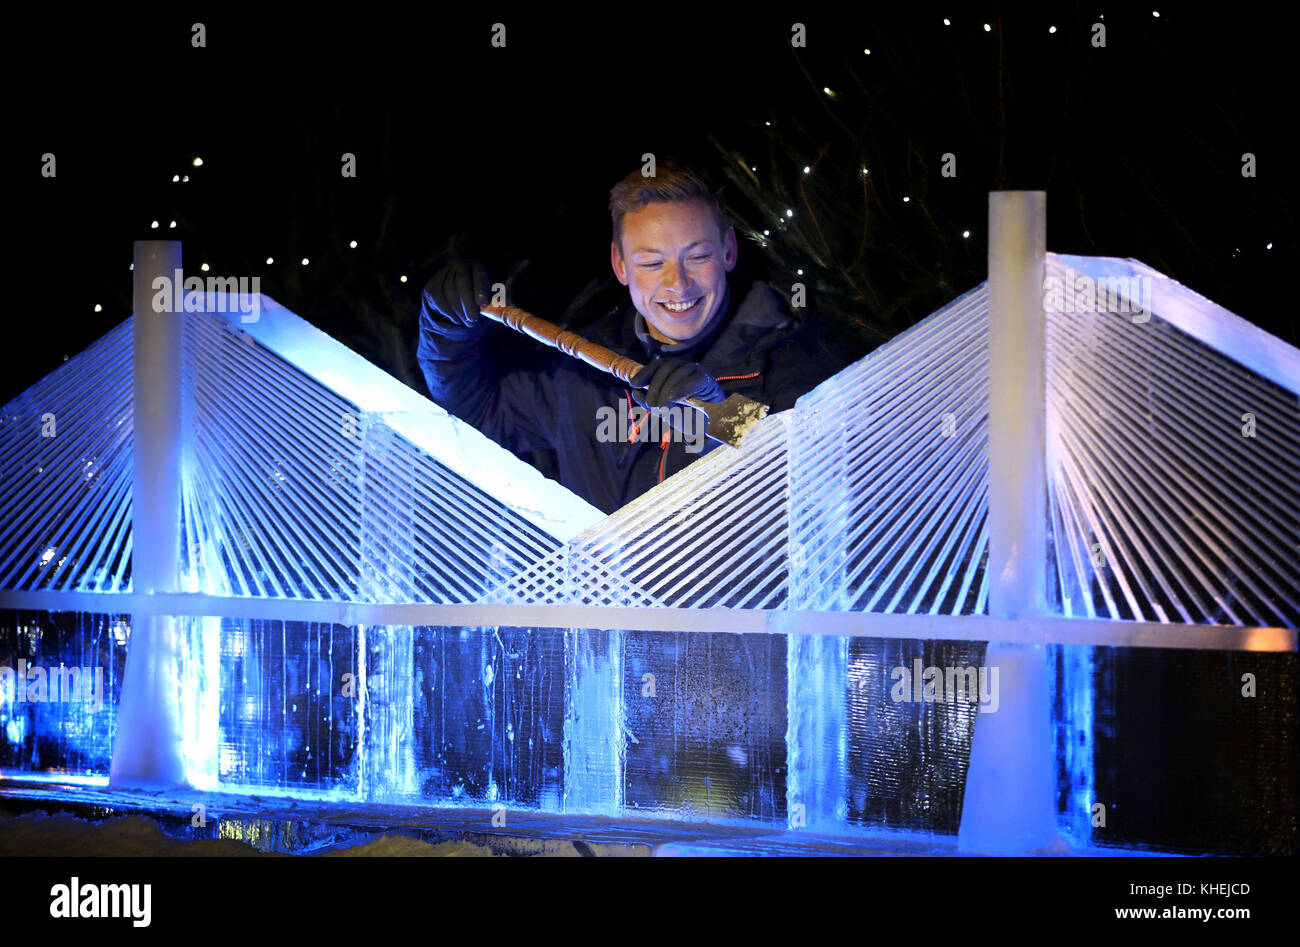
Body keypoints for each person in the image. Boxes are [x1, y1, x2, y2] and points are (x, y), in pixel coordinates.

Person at [416, 159, 839, 514]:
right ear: (620, 264)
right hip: (602, 612)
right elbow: (480, 413)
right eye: (652, 263)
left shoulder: (790, 359)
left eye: (698, 256)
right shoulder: (583, 369)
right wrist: (445, 330)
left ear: (728, 250)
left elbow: (826, 472)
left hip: (731, 613)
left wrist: (719, 416)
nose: (678, 284)